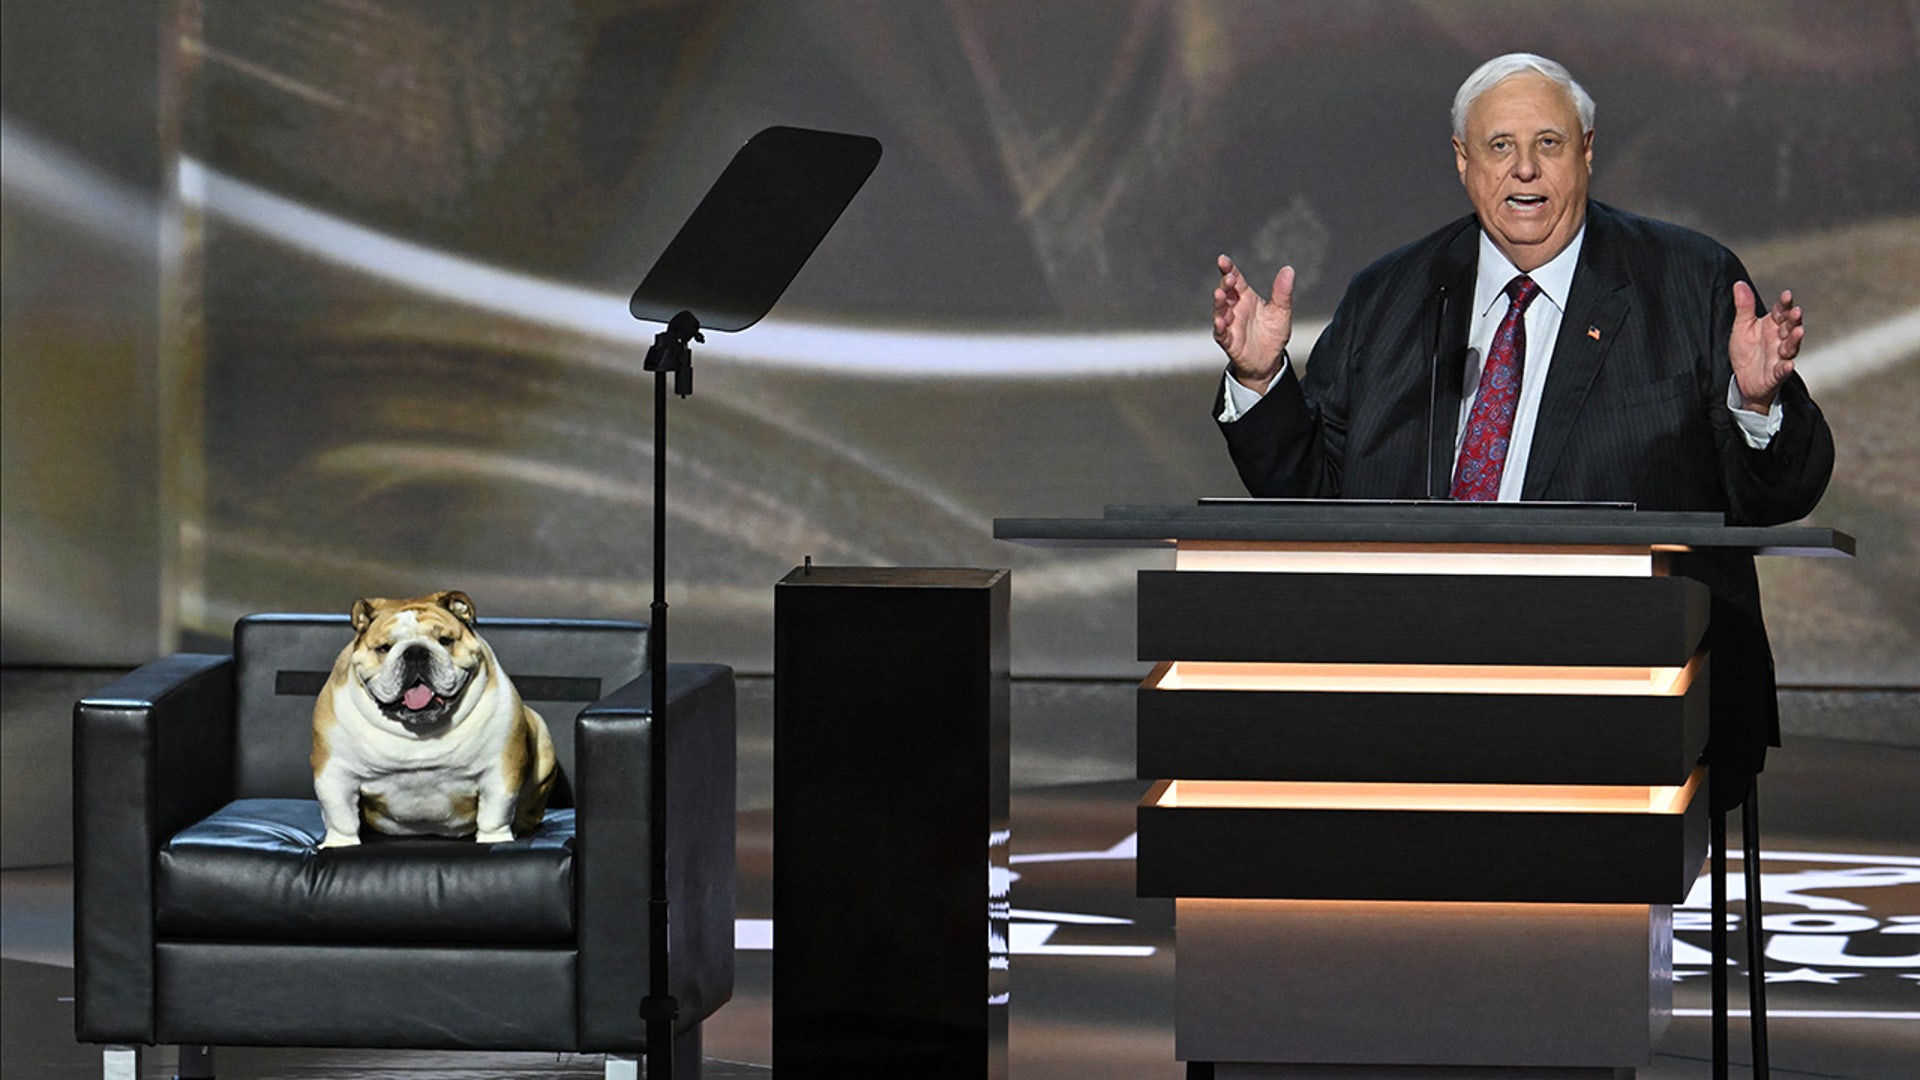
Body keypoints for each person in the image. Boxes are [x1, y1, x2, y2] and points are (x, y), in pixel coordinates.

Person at [1208, 52, 1834, 799]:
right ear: (1464, 162)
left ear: (1589, 151)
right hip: (1410, 677)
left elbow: (1776, 497)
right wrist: (1259, 379)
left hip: (1628, 687)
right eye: (1501, 146)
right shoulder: (1391, 294)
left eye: (1550, 143)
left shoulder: (1687, 280)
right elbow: (1315, 493)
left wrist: (1758, 404)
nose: (1526, 170)